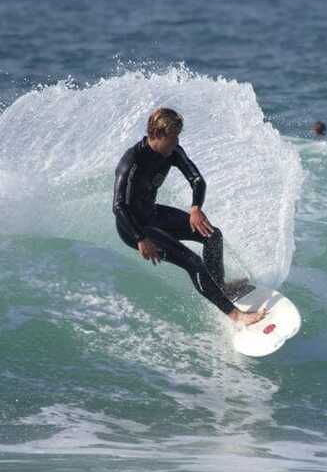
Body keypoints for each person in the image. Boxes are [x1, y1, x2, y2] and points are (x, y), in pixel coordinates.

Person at [113, 108, 265, 325]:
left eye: (178, 137)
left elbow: (197, 180)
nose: (176, 142)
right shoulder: (132, 161)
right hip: (133, 227)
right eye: (172, 137)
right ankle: (237, 316)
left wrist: (195, 208)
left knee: (212, 235)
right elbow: (119, 206)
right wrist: (140, 238)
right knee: (193, 262)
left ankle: (220, 288)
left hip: (152, 214)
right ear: (157, 134)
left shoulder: (172, 151)